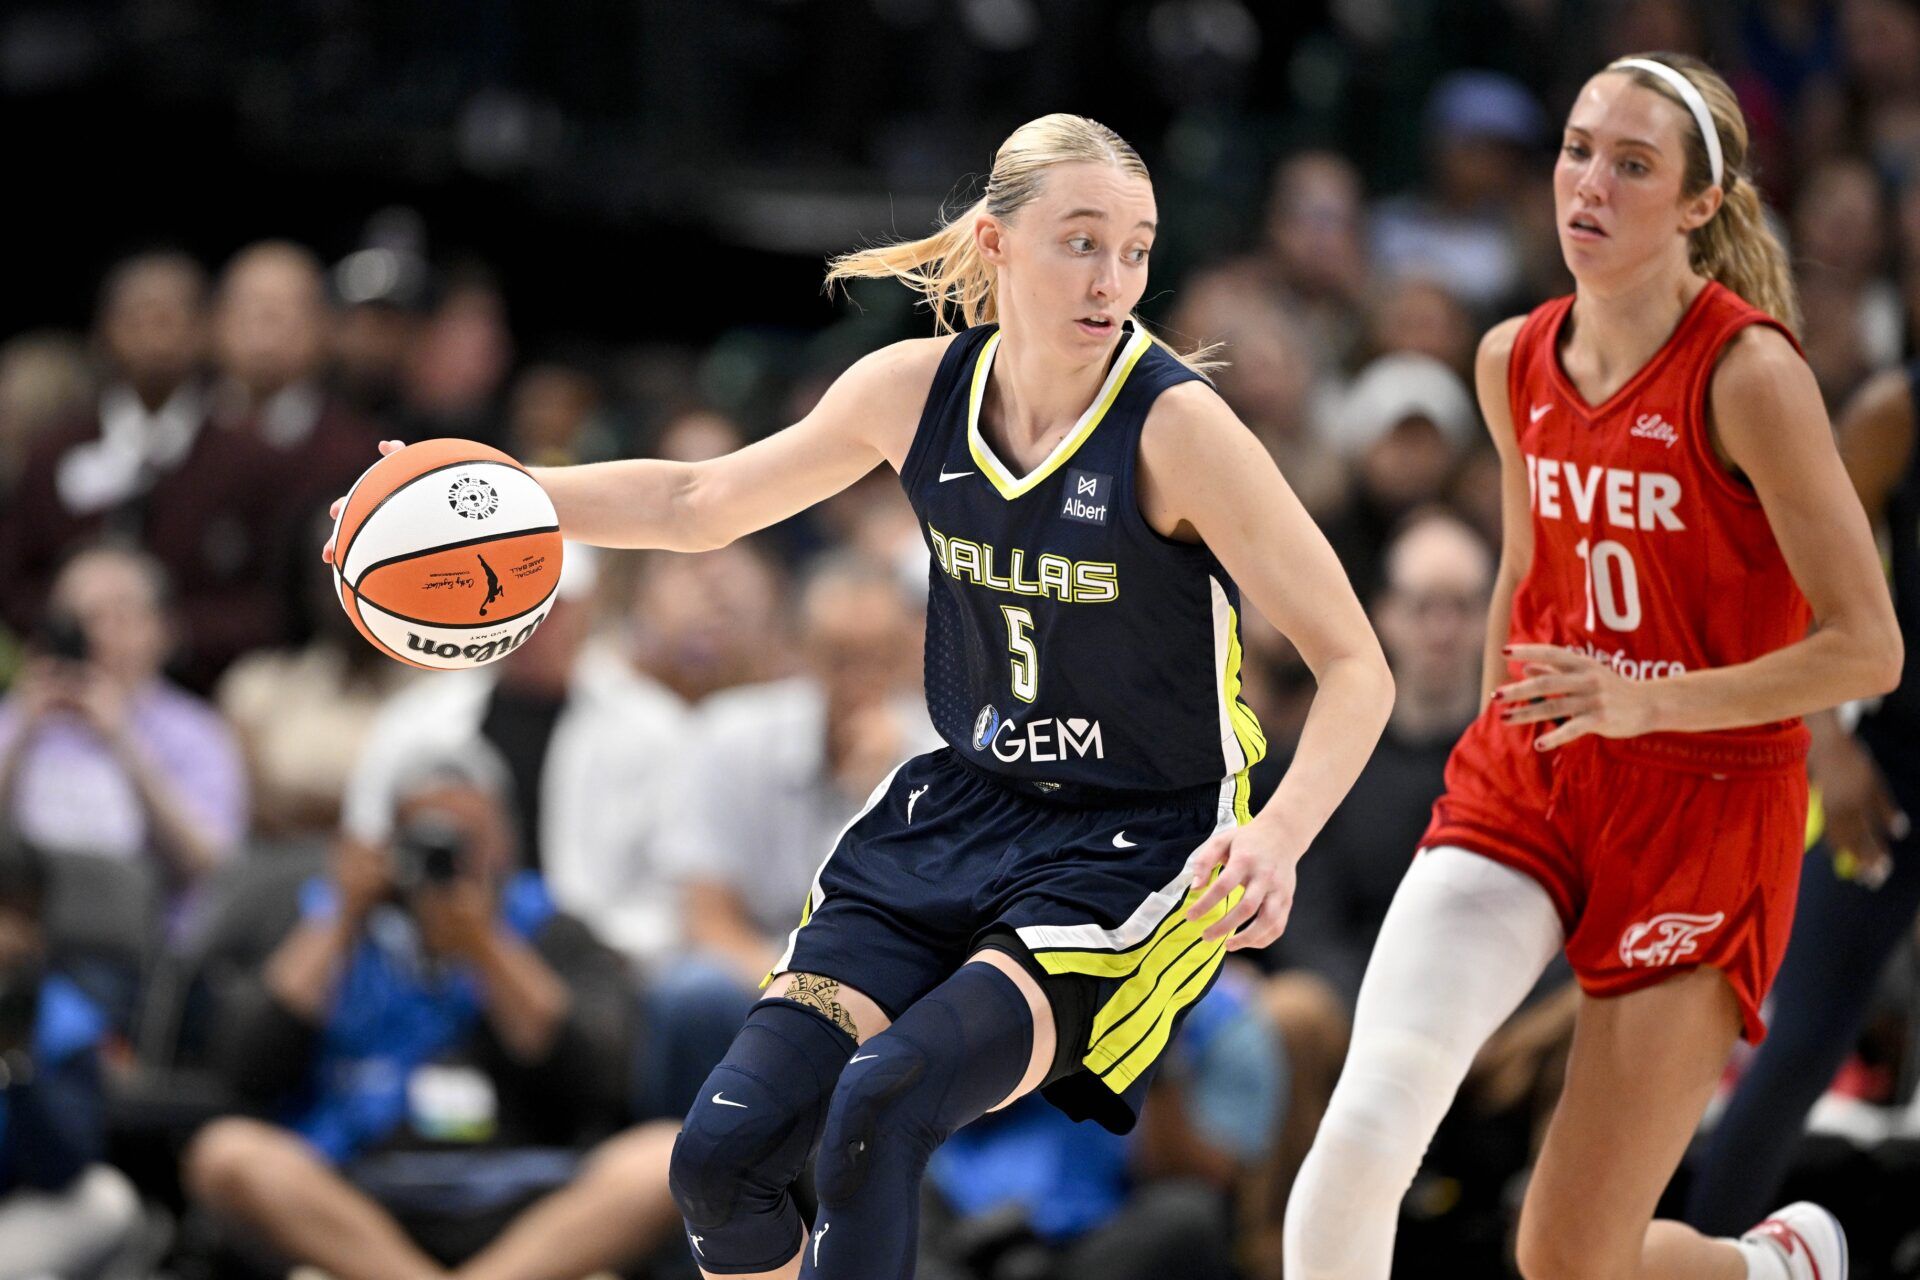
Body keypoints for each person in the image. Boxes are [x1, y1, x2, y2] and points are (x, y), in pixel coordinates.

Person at [328, 112, 1394, 1280]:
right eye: (1082, 242)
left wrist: (1279, 835)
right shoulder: (912, 390)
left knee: (885, 1100)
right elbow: (697, 501)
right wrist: (491, 489)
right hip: (961, 804)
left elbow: (1355, 662)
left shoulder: (1177, 427)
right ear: (995, 245)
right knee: (721, 1160)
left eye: (1136, 248)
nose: (1115, 278)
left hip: (1135, 832)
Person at [1282, 54, 1903, 1280]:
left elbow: (1866, 640)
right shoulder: (1510, 354)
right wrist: (1507, 721)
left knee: (1567, 1258)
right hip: (1540, 774)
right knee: (1360, 1130)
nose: (1590, 183)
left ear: (1695, 206)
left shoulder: (1751, 374)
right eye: (1577, 150)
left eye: (1633, 165)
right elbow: (1528, 565)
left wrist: (1647, 696)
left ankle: (1772, 1265)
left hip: (1707, 803)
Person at [182, 743, 659, 1280]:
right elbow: (248, 1065)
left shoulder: (551, 929)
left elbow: (596, 1079)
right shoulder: (331, 921)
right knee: (228, 1154)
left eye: (467, 838)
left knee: (665, 1156)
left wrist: (485, 946)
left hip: (524, 1196)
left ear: (505, 838)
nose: (447, 857)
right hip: (359, 1200)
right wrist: (343, 917)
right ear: (390, 843)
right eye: (426, 836)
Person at [1683, 360, 1920, 1234]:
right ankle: (1708, 1249)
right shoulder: (1895, 411)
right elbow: (1795, 586)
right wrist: (1828, 741)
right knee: (1802, 1041)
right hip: (1894, 771)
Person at [0, 545, 246, 904]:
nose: (100, 634)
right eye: (81, 618)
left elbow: (213, 864)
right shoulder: (20, 715)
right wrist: (22, 735)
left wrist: (122, 742)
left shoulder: (196, 732)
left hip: (150, 939)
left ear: (164, 629)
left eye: (120, 615)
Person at [0, 837, 142, 1280]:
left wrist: (16, 1059)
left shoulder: (62, 1018)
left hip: (14, 1210)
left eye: (17, 914)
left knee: (105, 1200)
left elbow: (66, 1162)